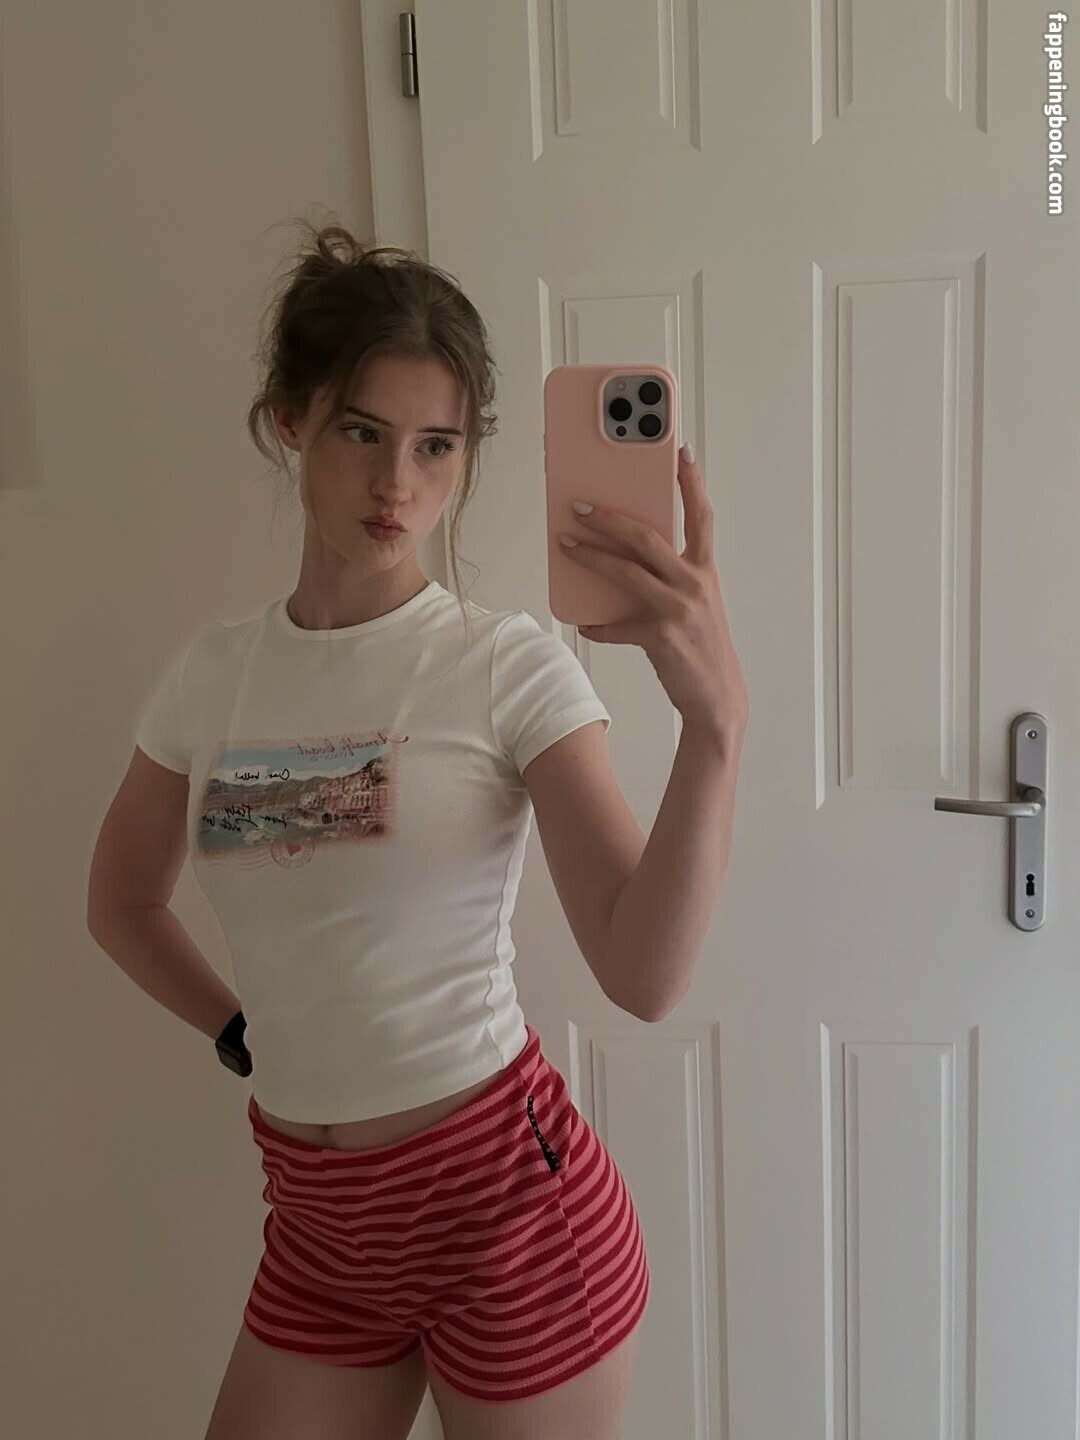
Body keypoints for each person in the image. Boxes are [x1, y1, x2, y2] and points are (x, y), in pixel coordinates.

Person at [88, 218, 650, 1439]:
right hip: (320, 1225)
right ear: (290, 419)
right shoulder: (212, 675)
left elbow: (644, 965)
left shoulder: (505, 664)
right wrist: (238, 1028)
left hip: (504, 1214)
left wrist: (718, 726)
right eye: (362, 432)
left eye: (435, 446)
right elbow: (121, 901)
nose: (399, 483)